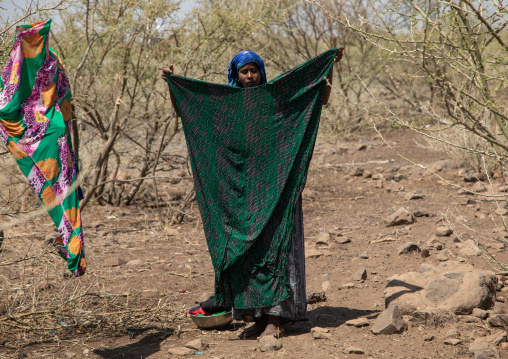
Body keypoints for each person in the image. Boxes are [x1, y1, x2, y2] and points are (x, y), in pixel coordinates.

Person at [162, 48, 343, 338]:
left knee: (279, 247)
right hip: (242, 195)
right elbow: (188, 110)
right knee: (247, 253)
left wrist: (328, 66)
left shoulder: (276, 99)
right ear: (235, 74)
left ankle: (277, 318)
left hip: (278, 188)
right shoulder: (226, 107)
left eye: (254, 70)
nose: (249, 76)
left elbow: (317, 97)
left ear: (261, 72)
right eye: (244, 71)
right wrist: (173, 84)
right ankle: (258, 316)